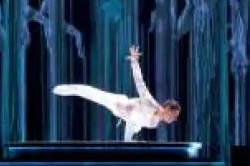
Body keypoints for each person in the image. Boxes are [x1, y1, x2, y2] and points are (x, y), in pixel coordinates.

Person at [53, 45, 181, 141]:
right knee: (92, 93)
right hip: (118, 102)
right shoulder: (151, 104)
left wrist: (128, 140)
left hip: (126, 115)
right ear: (167, 108)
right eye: (174, 115)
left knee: (135, 127)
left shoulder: (153, 124)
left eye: (175, 117)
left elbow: (132, 122)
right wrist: (134, 61)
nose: (174, 119)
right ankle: (64, 89)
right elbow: (140, 83)